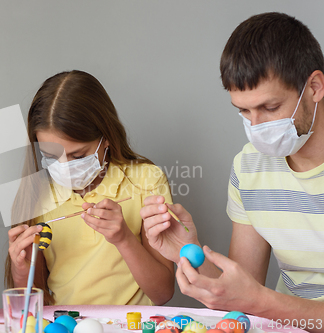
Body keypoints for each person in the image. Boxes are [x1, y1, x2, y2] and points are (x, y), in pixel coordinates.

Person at [141, 12, 324, 331]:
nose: (257, 127)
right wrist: (188, 252)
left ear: (315, 87)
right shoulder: (249, 165)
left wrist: (261, 302)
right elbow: (241, 290)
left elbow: (254, 300)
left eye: (270, 108)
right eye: (243, 111)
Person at [6, 70, 175, 306]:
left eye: (78, 155)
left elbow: (163, 292)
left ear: (106, 138)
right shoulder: (35, 193)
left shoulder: (146, 179)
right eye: (50, 156)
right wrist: (21, 269)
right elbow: (31, 306)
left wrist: (124, 238)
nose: (65, 168)